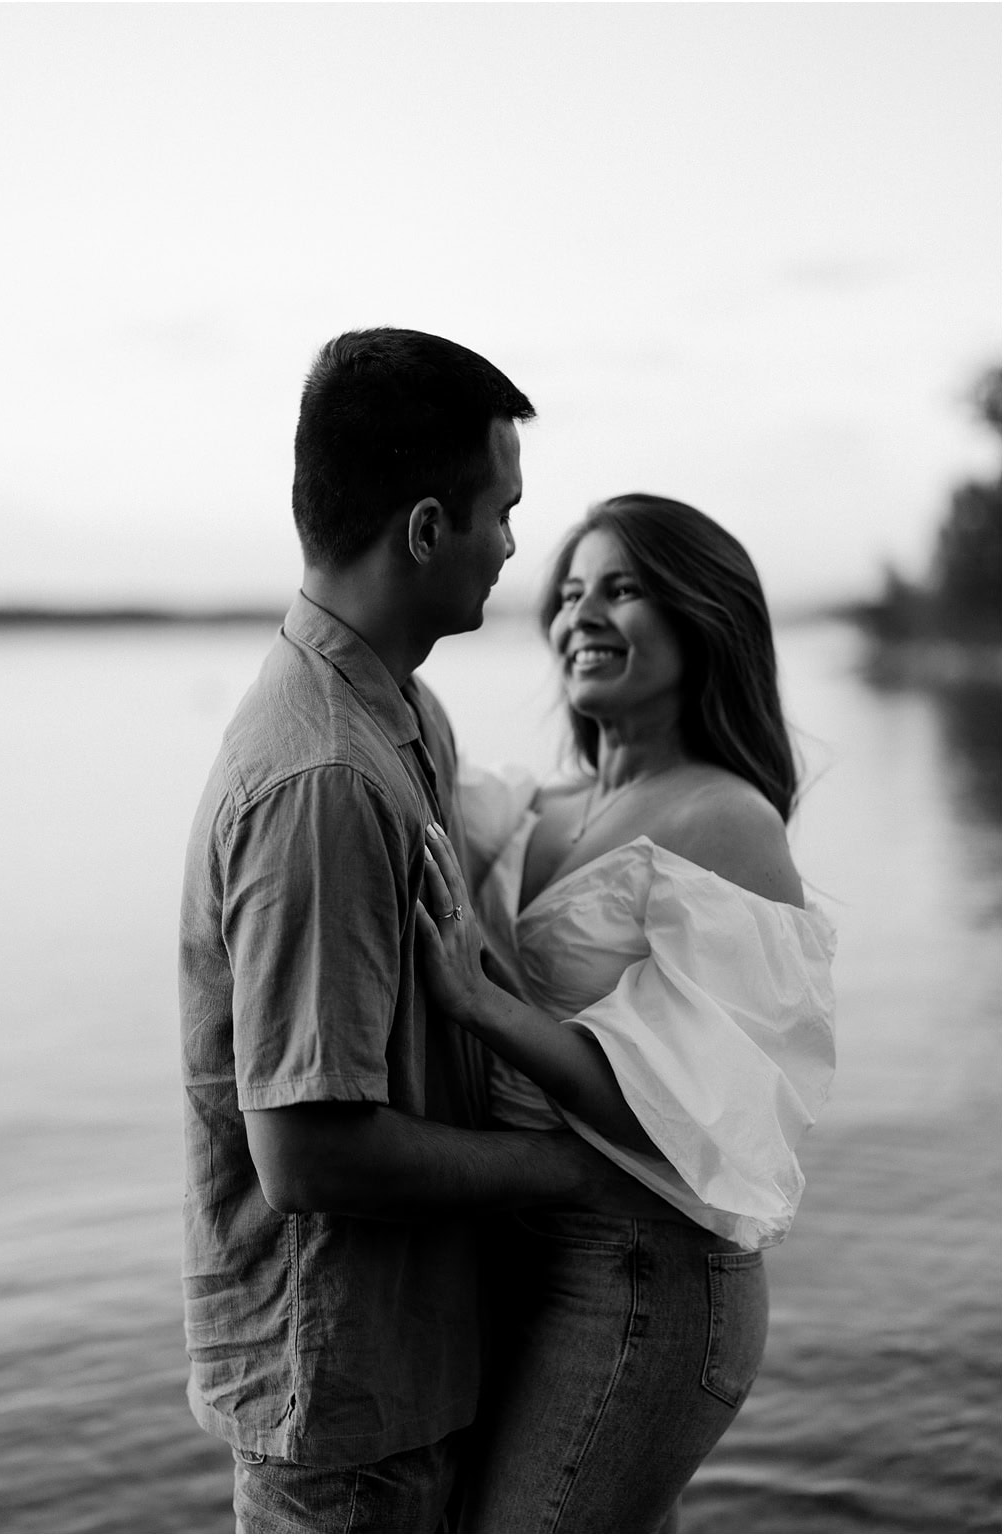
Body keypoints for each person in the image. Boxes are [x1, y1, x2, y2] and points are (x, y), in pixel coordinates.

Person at [178, 328, 673, 1534]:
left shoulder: (402, 712)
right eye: (498, 511)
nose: (513, 544)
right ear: (422, 529)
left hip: (419, 1370)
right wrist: (576, 1168)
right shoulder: (323, 777)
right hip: (347, 1417)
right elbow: (306, 1154)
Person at [414, 494, 836, 1531]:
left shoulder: (722, 819)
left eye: (623, 588)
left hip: (648, 1275)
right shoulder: (531, 807)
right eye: (566, 595)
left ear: (702, 618)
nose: (581, 617)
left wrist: (479, 1003)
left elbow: (684, 1112)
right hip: (521, 1248)